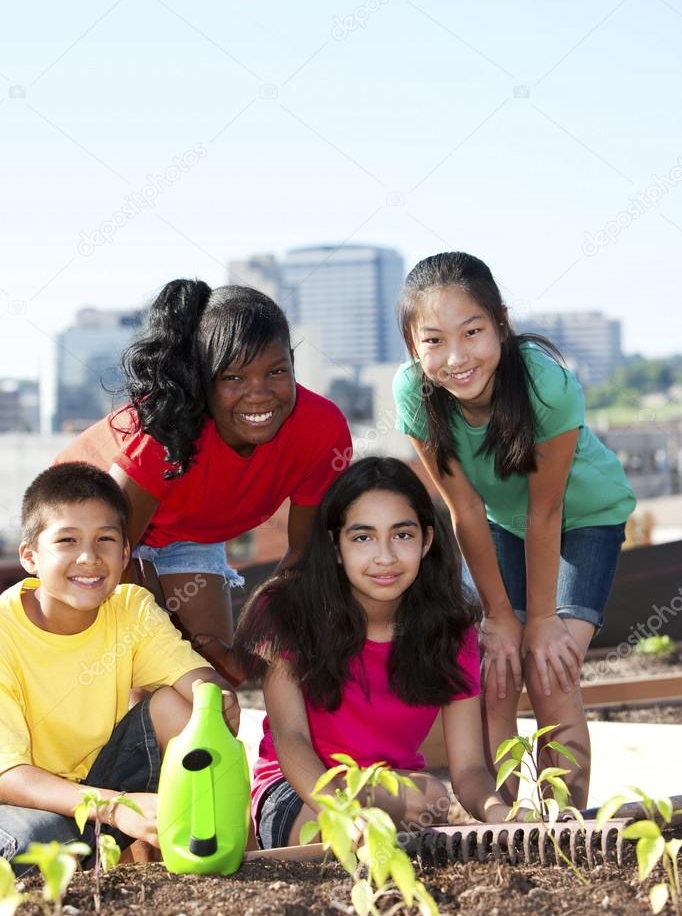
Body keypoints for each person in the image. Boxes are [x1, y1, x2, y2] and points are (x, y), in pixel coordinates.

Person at [393, 252, 636, 807]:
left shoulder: (545, 384)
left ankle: (567, 821)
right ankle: (500, 819)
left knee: (549, 669)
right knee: (495, 668)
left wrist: (542, 621)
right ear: (413, 347)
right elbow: (466, 509)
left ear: (501, 323)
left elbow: (545, 513)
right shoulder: (413, 394)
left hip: (584, 519)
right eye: (433, 341)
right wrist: (501, 618)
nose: (456, 357)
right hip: (502, 522)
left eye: (472, 332)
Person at [56, 280, 352, 683]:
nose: (260, 394)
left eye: (277, 371)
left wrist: (252, 645)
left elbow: (304, 555)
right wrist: (171, 642)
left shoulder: (323, 430)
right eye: (234, 378)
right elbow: (112, 550)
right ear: (202, 377)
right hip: (94, 530)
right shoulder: (165, 429)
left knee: (216, 682)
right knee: (140, 679)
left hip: (188, 530)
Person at [237, 457, 510, 849]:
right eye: (363, 538)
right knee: (381, 821)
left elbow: (468, 769)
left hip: (391, 792)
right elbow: (290, 737)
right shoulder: (288, 612)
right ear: (335, 546)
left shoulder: (451, 631)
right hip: (300, 792)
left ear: (427, 540)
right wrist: (341, 814)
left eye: (402, 535)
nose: (385, 557)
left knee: (431, 796)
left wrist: (499, 812)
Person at [0, 463, 240, 875]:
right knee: (31, 842)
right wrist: (114, 808)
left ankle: (211, 851)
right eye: (68, 540)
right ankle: (101, 854)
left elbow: (199, 684)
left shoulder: (131, 608)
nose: (89, 558)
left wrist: (216, 699)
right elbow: (8, 775)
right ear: (30, 556)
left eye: (105, 540)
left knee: (182, 707)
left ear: (125, 552)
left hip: (107, 783)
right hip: (26, 801)